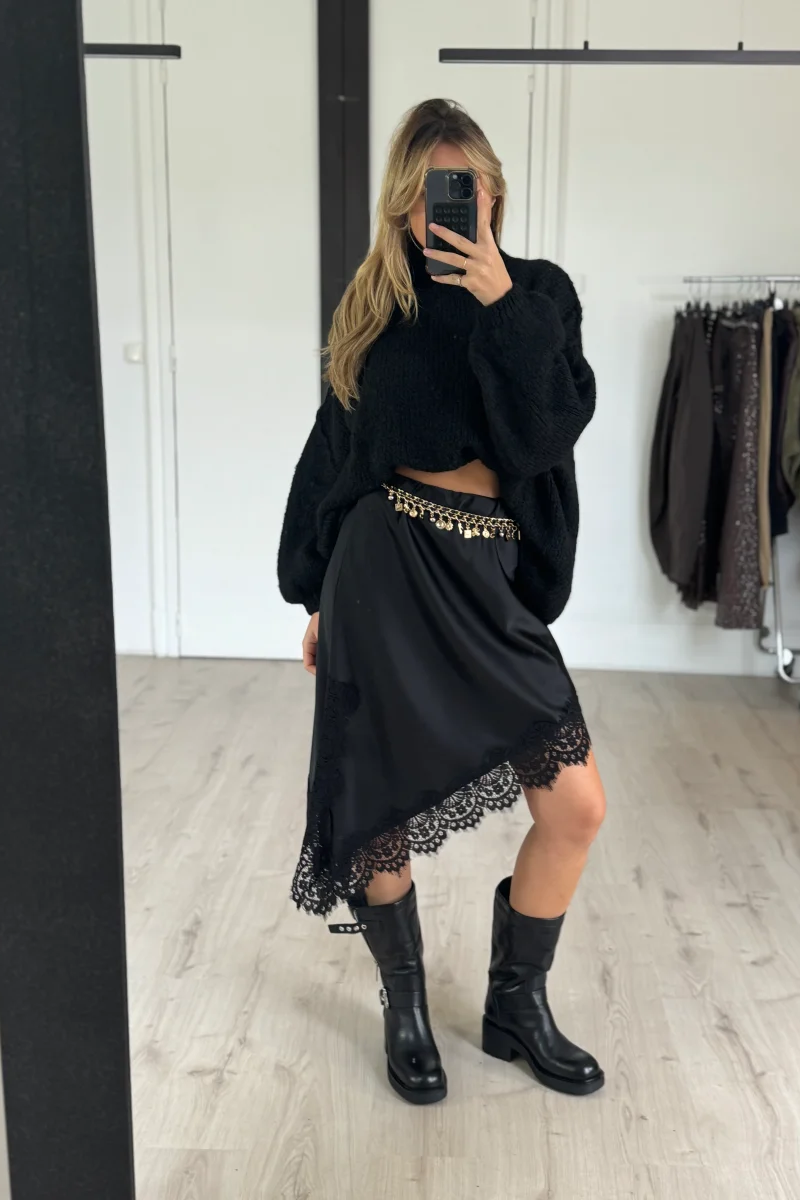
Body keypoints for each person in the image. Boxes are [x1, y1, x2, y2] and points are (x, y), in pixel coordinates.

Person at [278, 98, 606, 1105]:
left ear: (494, 193)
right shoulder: (375, 310)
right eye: (426, 194)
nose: (445, 209)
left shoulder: (539, 296)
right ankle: (407, 1006)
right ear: (401, 206)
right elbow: (335, 457)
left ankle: (518, 1006)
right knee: (375, 801)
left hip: (489, 578)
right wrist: (315, 594)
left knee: (577, 806)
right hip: (381, 567)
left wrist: (502, 304)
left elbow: (547, 434)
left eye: (463, 188)